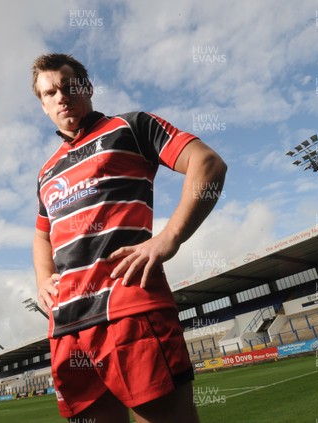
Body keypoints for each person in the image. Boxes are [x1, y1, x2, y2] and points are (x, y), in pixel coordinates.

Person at [31, 53, 227, 423]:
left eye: (68, 86)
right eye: (49, 93)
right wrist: (43, 280)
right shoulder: (47, 171)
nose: (60, 97)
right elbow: (42, 236)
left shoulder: (131, 126)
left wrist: (170, 237)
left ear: (86, 88)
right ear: (43, 106)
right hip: (67, 326)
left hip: (129, 309)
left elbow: (208, 164)